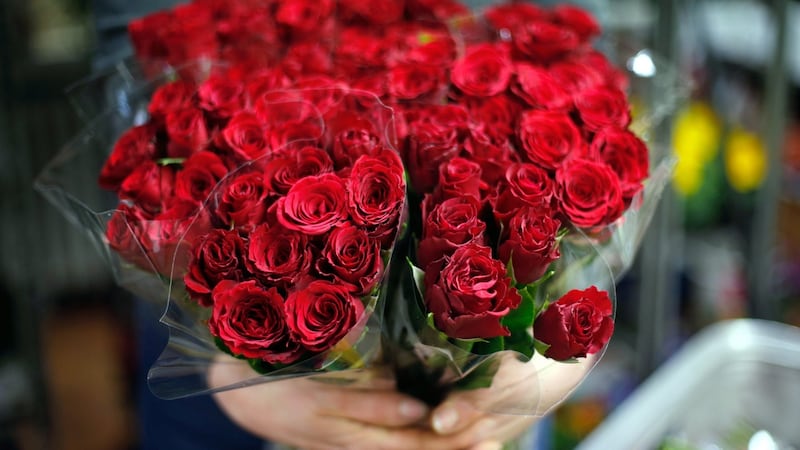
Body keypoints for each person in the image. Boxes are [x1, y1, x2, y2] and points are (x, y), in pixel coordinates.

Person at [92, 1, 595, 448]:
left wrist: (547, 351)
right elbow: (133, 53)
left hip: (500, 389)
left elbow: (588, 46)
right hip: (214, 368)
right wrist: (224, 367)